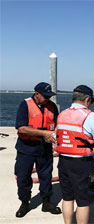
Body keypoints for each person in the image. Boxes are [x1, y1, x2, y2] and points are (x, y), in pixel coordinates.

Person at [55, 85, 94, 224]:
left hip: (63, 161)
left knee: (67, 198)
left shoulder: (62, 114)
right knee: (83, 201)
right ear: (87, 99)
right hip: (82, 164)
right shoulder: (89, 116)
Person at [14, 82, 61, 218]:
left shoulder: (52, 107)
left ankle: (47, 202)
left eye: (49, 96)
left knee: (46, 176)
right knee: (23, 177)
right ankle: (24, 203)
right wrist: (44, 133)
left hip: (44, 148)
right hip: (26, 148)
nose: (48, 99)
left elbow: (57, 123)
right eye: (45, 96)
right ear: (37, 94)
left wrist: (54, 134)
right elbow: (21, 128)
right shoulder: (25, 105)